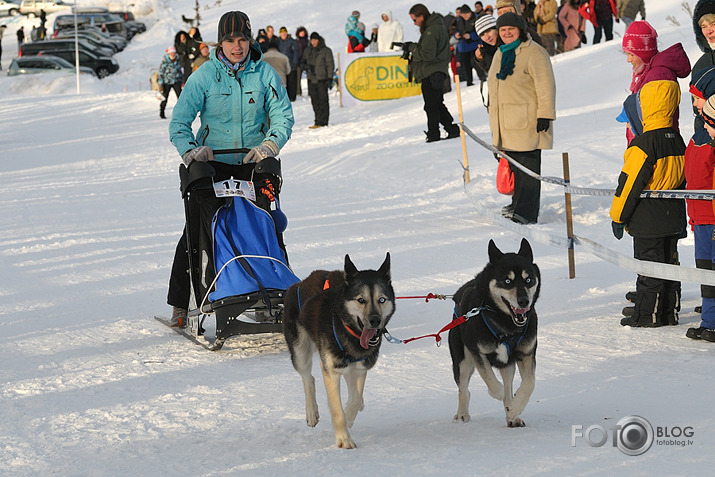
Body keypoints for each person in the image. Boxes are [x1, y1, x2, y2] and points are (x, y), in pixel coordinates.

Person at [167, 10, 294, 326]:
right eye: (229, 40)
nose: (236, 46)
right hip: (212, 165)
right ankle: (182, 303)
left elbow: (283, 118)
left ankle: (275, 292)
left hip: (251, 162)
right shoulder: (204, 75)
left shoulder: (265, 74)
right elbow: (179, 122)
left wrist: (269, 146)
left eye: (242, 39)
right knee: (198, 230)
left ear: (250, 41)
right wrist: (192, 151)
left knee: (265, 227)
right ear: (219, 42)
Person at [610, 80, 686, 328]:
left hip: (648, 221)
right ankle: (669, 312)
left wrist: (618, 217)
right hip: (673, 216)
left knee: (648, 269)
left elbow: (628, 185)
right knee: (670, 267)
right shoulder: (676, 138)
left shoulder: (642, 145)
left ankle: (646, 316)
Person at [487, 12, 555, 224]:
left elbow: (546, 85)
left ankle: (526, 213)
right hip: (506, 123)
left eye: (511, 29)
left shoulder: (534, 52)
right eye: (503, 30)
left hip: (527, 122)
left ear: (520, 31)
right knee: (515, 168)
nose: (507, 33)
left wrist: (545, 114)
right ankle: (517, 205)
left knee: (528, 170)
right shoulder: (500, 53)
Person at [621, 20, 691, 145]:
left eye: (631, 54)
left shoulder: (659, 76)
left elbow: (658, 123)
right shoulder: (647, 73)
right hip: (648, 146)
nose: (628, 60)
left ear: (643, 53)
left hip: (655, 149)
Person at [685, 68, 715, 341]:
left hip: (712, 218)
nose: (694, 104)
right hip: (700, 217)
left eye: (697, 98)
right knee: (706, 270)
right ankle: (709, 320)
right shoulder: (698, 136)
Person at [403, 4, 461, 143]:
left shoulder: (432, 29)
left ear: (421, 16)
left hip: (432, 71)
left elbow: (427, 54)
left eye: (414, 20)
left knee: (431, 105)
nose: (414, 23)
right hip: (433, 71)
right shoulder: (434, 27)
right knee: (435, 103)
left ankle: (434, 133)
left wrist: (411, 47)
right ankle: (451, 129)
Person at [302, 31, 334, 128]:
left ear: (319, 40)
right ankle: (317, 121)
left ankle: (323, 122)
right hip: (311, 79)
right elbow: (302, 62)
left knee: (323, 101)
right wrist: (306, 67)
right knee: (314, 101)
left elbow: (330, 64)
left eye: (315, 40)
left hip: (322, 79)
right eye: (312, 40)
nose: (314, 42)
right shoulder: (307, 50)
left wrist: (329, 78)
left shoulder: (326, 50)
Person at [691, 0, 715, 132]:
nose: (709, 31)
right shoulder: (700, 67)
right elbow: (698, 114)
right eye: (704, 26)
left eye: (713, 24)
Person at [454, 4, 483, 86]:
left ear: (470, 12)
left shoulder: (477, 18)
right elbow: (455, 31)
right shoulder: (459, 21)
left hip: (474, 45)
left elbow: (481, 33)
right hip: (463, 46)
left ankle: (482, 77)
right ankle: (469, 81)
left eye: (466, 14)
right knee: (466, 65)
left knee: (476, 63)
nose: (465, 16)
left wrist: (471, 36)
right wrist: (456, 35)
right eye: (463, 14)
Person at [158, 46, 183, 119]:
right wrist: (160, 84)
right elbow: (161, 72)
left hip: (176, 81)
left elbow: (180, 70)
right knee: (164, 98)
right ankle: (162, 112)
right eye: (171, 52)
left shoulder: (177, 59)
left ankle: (182, 112)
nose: (172, 54)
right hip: (167, 82)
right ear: (168, 53)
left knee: (181, 97)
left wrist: (182, 80)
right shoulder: (165, 60)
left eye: (173, 52)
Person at [277, 26, 299, 101]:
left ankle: (292, 97)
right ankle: (285, 96)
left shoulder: (292, 41)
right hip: (281, 65)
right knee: (283, 82)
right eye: (282, 33)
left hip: (291, 64)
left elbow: (296, 51)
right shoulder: (277, 41)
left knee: (292, 81)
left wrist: (295, 62)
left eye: (284, 32)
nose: (283, 34)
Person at [295, 26, 309, 96]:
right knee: (298, 78)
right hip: (299, 61)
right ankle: (298, 92)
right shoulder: (296, 42)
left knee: (310, 77)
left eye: (303, 32)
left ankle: (310, 91)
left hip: (307, 61)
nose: (302, 33)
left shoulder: (308, 41)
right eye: (301, 32)